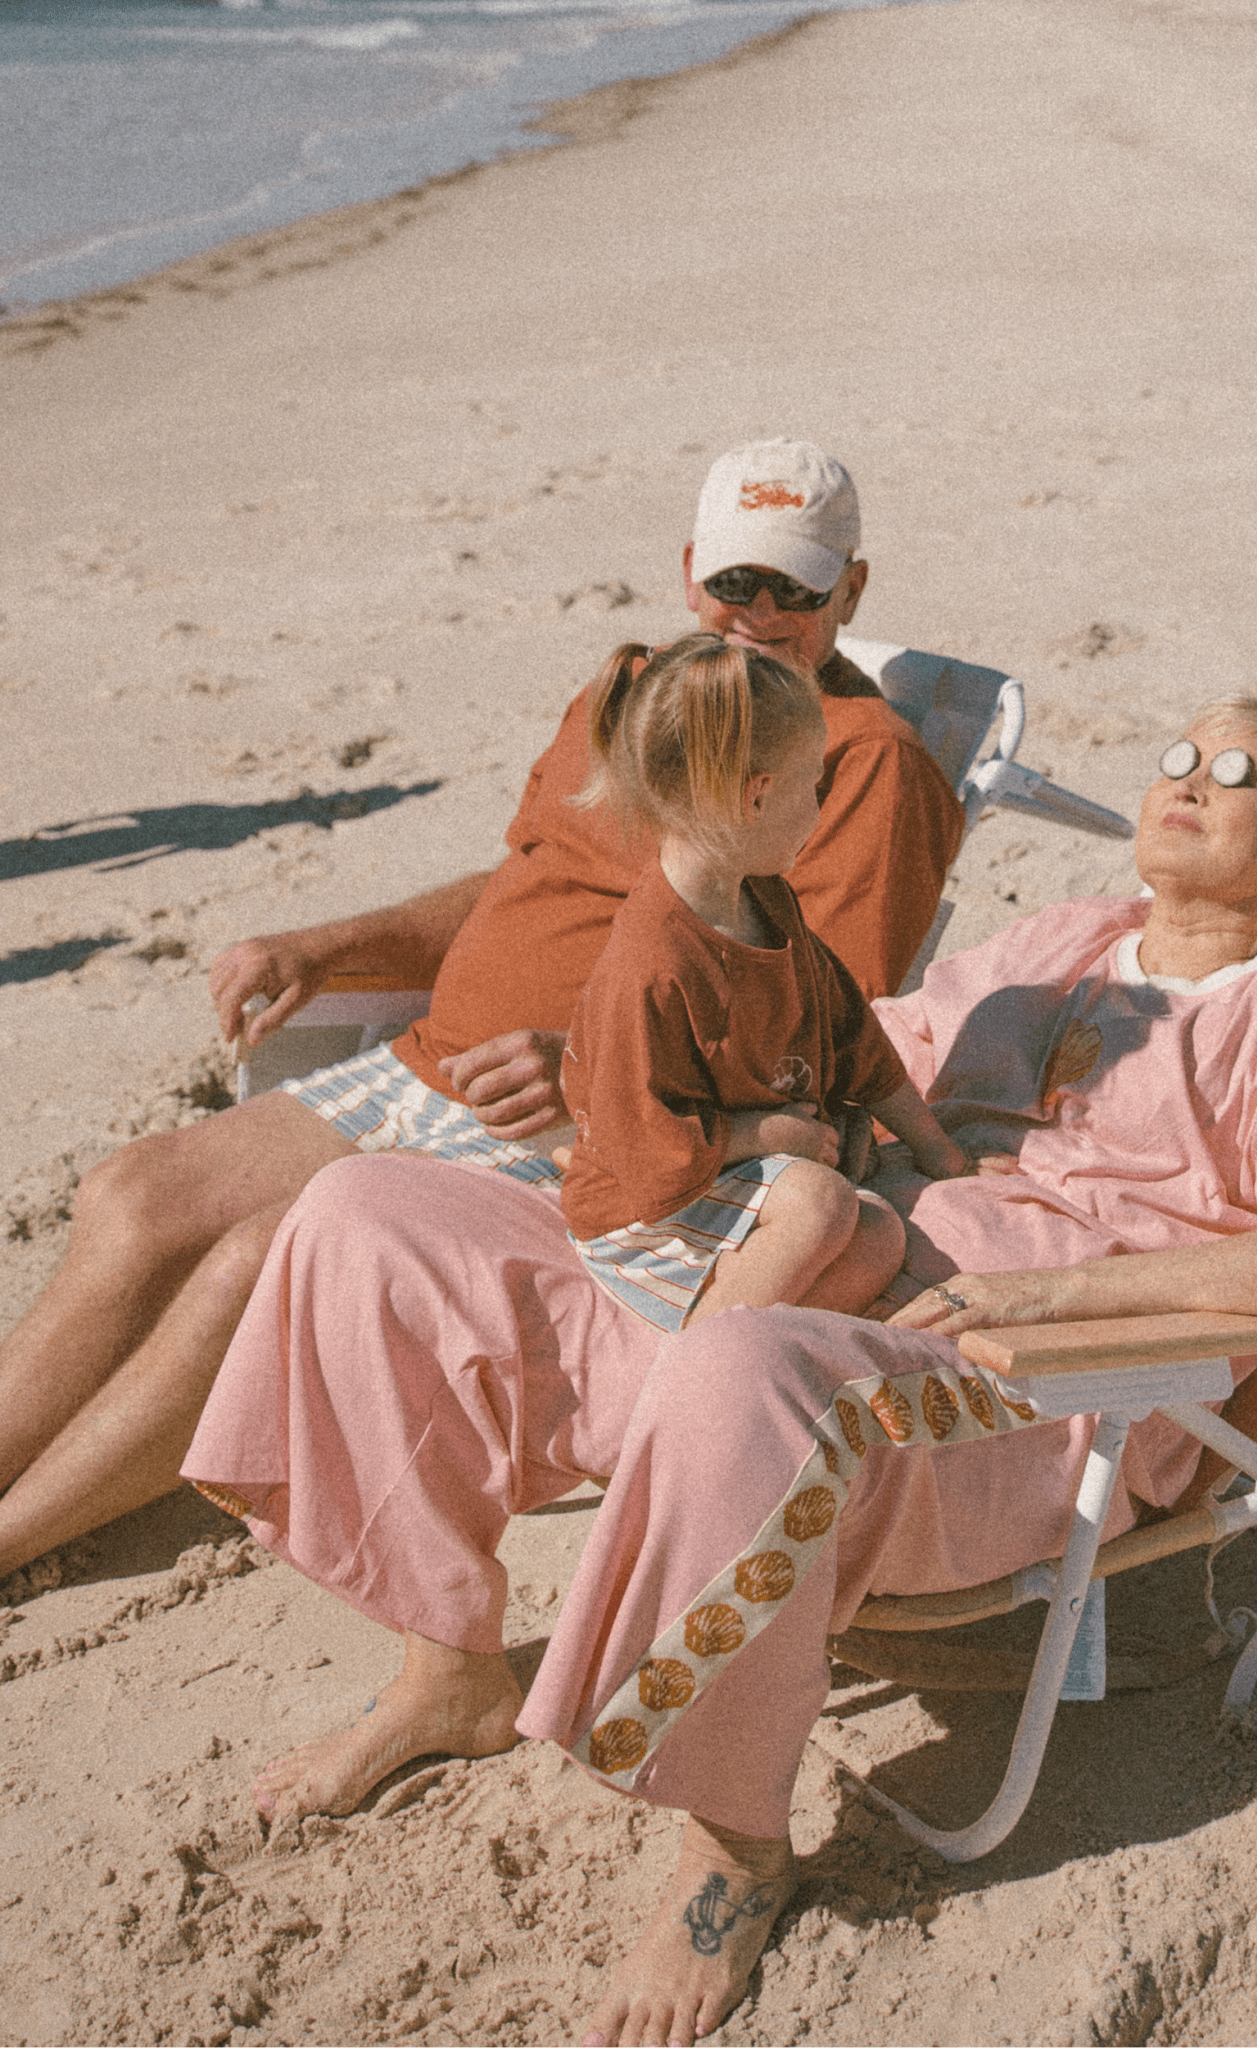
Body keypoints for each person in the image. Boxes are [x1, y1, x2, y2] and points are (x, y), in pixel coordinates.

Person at [184, 695, 1257, 2047]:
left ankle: (734, 1852)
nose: (1184, 779)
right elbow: (841, 1053)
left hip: (1029, 1386)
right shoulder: (1063, 938)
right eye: (1173, 754)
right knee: (375, 1217)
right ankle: (448, 1669)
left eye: (1236, 774)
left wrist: (1044, 1289)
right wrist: (596, 1075)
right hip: (808, 1264)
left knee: (739, 1376)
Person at [0, 439, 965, 1578]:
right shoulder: (637, 692)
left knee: (257, 1262)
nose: (759, 613)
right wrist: (338, 943)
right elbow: (527, 881)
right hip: (429, 1060)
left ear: (851, 590)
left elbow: (815, 1023)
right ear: (692, 569)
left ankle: (17, 1537)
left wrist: (587, 1060)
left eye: (797, 590)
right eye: (736, 582)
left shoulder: (858, 764)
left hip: (580, 1119)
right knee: (132, 1196)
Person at [558, 635, 966, 1330]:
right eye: (815, 784)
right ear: (757, 797)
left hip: (738, 1185)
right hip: (642, 1214)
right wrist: (763, 1134)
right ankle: (694, 1367)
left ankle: (732, 1341)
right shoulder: (652, 963)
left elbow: (849, 1032)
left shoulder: (768, 903)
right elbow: (639, 1144)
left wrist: (936, 1148)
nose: (819, 807)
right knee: (821, 1204)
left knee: (878, 1237)